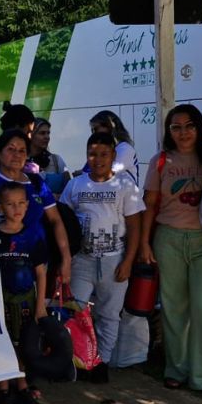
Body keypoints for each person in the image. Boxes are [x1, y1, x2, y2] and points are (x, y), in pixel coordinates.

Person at [138, 104, 202, 397]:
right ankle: (176, 369)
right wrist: (144, 243)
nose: (183, 132)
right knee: (174, 308)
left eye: (189, 126)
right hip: (169, 240)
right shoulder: (161, 161)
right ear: (168, 132)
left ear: (200, 128)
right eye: (176, 127)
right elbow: (150, 205)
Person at [61, 132, 144, 383]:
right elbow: (63, 221)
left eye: (104, 154)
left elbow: (134, 226)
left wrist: (128, 261)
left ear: (113, 156)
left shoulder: (125, 186)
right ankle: (79, 360)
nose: (98, 159)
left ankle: (102, 362)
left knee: (109, 314)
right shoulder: (75, 185)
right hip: (82, 261)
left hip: (114, 261)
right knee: (76, 311)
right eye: (93, 154)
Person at [0, 129, 73, 286]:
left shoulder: (37, 184)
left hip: (36, 267)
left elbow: (55, 220)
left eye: (22, 150)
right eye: (11, 149)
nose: (17, 154)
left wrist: (66, 258)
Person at [0, 182, 50, 404]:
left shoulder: (32, 236)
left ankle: (22, 389)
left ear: (28, 204)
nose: (16, 208)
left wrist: (40, 305)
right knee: (3, 344)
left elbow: (41, 273)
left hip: (25, 301)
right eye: (10, 204)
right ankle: (3, 393)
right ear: (0, 206)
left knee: (23, 345)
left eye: (21, 203)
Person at [89, 110, 139, 184]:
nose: (94, 133)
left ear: (110, 128)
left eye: (96, 129)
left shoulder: (125, 149)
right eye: (92, 130)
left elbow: (105, 173)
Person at [31, 118, 70, 196]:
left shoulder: (56, 160)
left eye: (48, 133)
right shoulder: (22, 162)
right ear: (31, 135)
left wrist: (56, 197)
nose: (47, 137)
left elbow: (69, 191)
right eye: (42, 133)